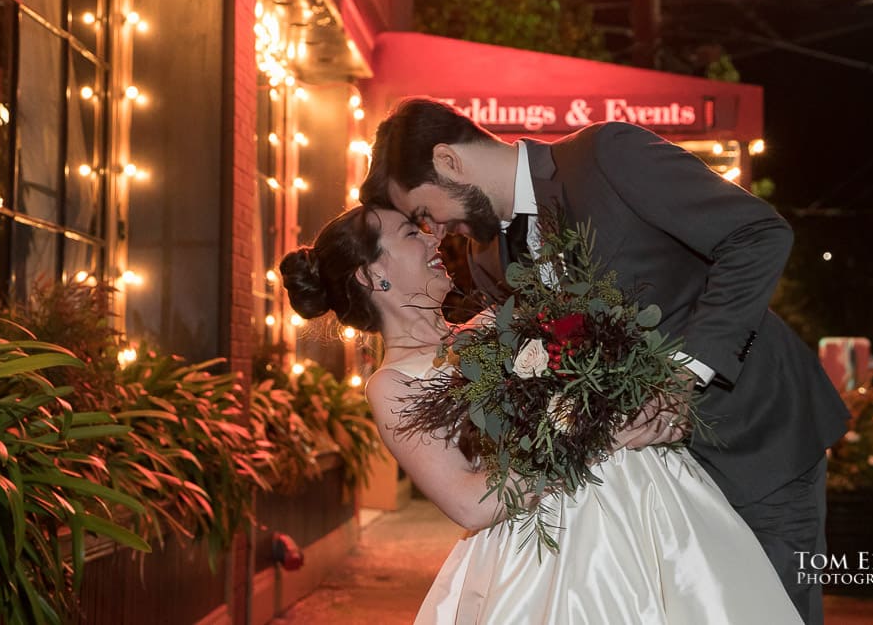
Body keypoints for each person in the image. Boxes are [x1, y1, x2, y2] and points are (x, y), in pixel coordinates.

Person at [358, 97, 851, 625]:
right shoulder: (486, 260)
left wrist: (683, 375)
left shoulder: (606, 157)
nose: (435, 229)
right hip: (654, 495)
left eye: (424, 212)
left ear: (448, 161)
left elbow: (756, 235)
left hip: (754, 443)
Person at [280, 205, 803, 624]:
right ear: (373, 274)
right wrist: (597, 440)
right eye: (409, 234)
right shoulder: (392, 385)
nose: (432, 240)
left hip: (657, 506)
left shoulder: (496, 323)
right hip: (554, 554)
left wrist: (657, 409)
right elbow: (469, 503)